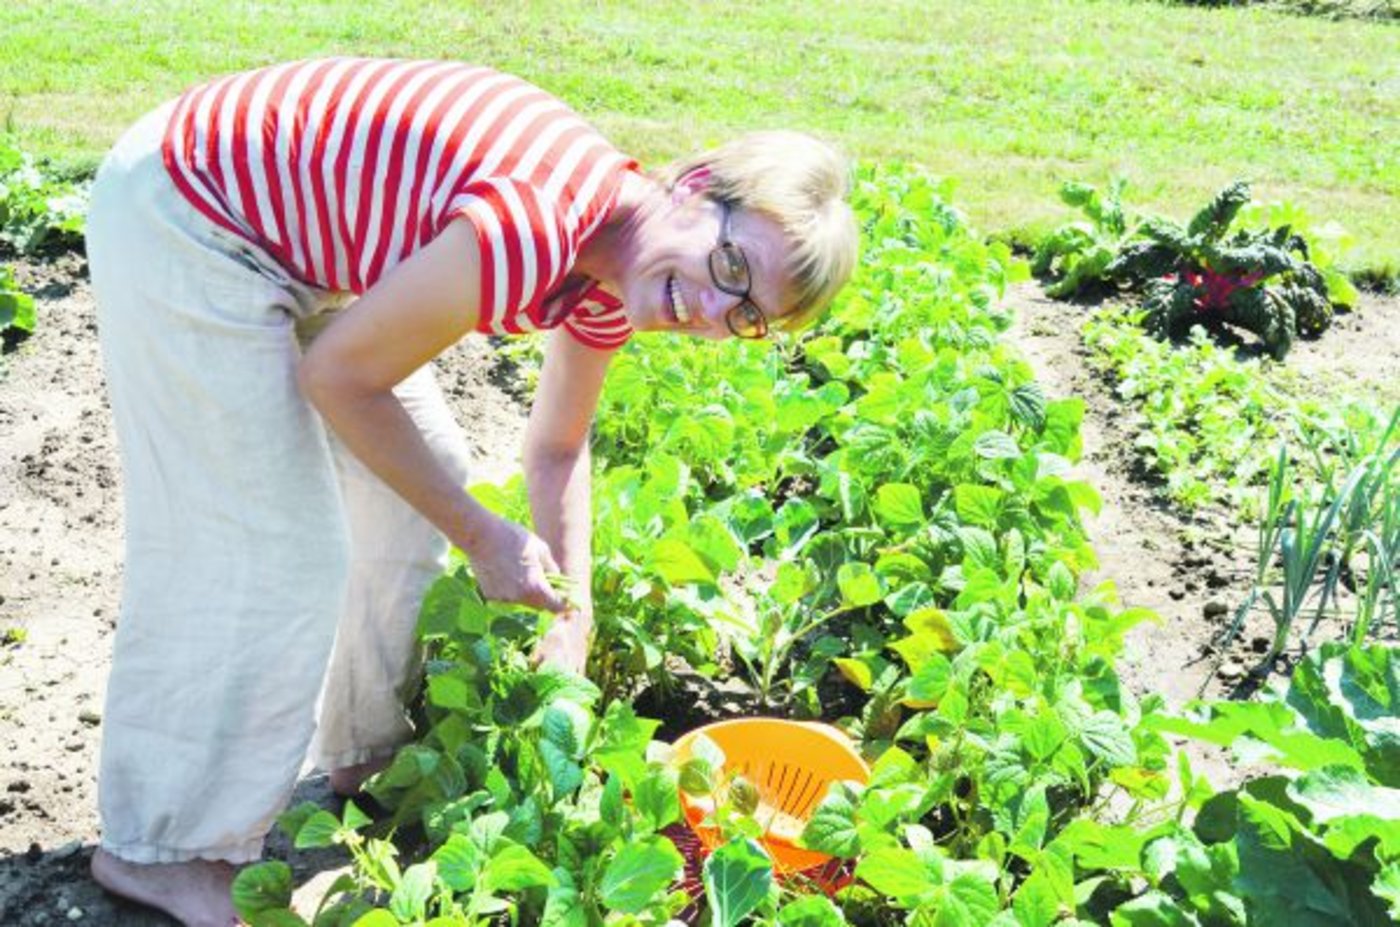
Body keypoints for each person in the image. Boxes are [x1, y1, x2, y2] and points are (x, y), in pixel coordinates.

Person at [84, 56, 857, 926]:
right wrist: (488, 539)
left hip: (294, 242)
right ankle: (162, 847)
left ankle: (365, 754)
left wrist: (575, 613)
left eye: (748, 317)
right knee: (272, 547)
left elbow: (559, 447)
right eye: (730, 265)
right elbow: (340, 378)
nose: (716, 309)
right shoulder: (537, 227)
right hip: (190, 212)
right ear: (695, 184)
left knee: (430, 486)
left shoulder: (615, 278)